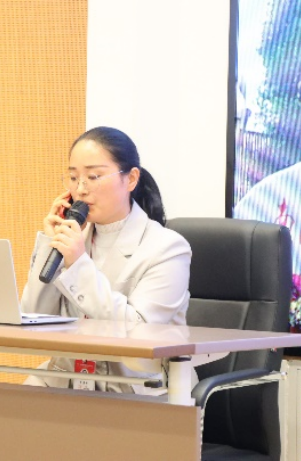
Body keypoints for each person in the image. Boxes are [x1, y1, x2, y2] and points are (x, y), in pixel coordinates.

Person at [21, 126, 192, 394]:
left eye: (93, 176)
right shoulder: (74, 240)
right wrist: (49, 244)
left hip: (132, 389)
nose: (80, 189)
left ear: (131, 179)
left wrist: (78, 264)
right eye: (73, 178)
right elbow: (33, 320)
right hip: (65, 381)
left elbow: (138, 332)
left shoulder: (168, 248)